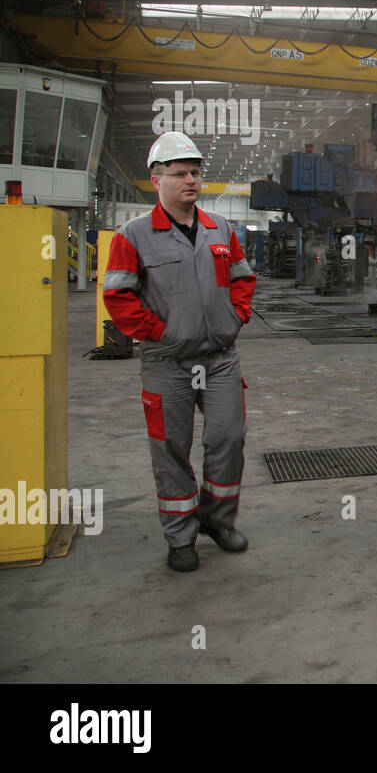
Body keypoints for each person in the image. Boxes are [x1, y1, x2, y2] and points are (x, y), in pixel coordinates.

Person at [103, 131, 256, 572]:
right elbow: (118, 296)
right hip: (168, 362)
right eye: (180, 173)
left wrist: (236, 315)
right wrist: (158, 332)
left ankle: (216, 520)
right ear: (158, 180)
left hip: (220, 358)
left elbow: (243, 278)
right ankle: (180, 536)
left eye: (195, 172)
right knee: (171, 447)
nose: (191, 180)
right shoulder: (133, 235)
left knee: (228, 437)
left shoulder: (220, 229)